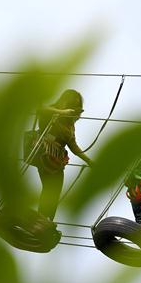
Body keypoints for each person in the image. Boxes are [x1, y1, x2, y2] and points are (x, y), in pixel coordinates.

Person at [32, 89, 93, 220]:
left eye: (79, 110)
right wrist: (62, 112)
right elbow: (40, 110)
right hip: (44, 153)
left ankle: (47, 220)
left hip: (56, 160)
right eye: (74, 107)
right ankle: (40, 218)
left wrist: (88, 160)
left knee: (55, 191)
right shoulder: (53, 112)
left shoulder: (69, 126)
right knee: (49, 188)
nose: (76, 113)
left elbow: (73, 146)